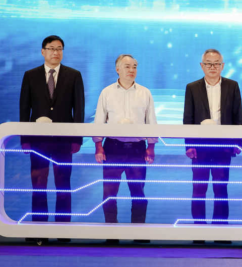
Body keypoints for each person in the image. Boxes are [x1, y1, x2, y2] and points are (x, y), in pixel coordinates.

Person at [19, 35, 84, 222]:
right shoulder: (30, 75)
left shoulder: (74, 75)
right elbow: (24, 108)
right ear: (43, 51)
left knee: (63, 183)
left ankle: (62, 227)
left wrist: (77, 139)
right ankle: (39, 228)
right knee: (39, 184)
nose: (56, 52)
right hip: (38, 141)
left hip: (64, 141)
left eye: (59, 49)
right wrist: (25, 139)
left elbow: (79, 109)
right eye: (52, 48)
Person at [93, 54, 157, 224]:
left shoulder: (145, 92)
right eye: (127, 66)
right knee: (109, 193)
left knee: (138, 192)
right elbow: (99, 121)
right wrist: (98, 146)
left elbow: (151, 121)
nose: (131, 70)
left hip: (137, 149)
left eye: (134, 66)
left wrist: (151, 147)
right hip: (113, 148)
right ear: (117, 69)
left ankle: (138, 230)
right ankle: (111, 230)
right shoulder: (107, 92)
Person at [183, 49, 242, 224]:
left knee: (221, 188)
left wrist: (237, 143)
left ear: (222, 66)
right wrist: (189, 145)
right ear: (202, 66)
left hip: (223, 147)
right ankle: (199, 226)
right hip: (199, 147)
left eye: (216, 63)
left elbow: (238, 116)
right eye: (208, 64)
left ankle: (220, 227)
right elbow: (188, 118)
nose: (212, 67)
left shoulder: (232, 86)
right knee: (199, 189)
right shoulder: (192, 88)